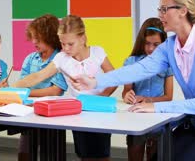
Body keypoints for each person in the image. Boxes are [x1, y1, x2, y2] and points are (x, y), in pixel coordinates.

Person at [72, 0, 195, 161]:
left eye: (164, 9)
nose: (160, 14)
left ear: (182, 10)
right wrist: (95, 81)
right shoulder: (170, 46)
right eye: (159, 9)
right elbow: (139, 69)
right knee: (157, 158)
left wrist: (155, 106)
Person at [13, 14, 117, 161]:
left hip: (100, 111)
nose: (66, 48)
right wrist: (12, 87)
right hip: (80, 113)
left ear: (82, 39)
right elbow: (38, 76)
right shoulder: (61, 58)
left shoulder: (97, 53)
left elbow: (114, 77)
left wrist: (102, 97)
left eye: (70, 44)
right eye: (62, 44)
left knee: (102, 154)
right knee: (84, 154)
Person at [122, 17, 173, 161]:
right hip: (136, 118)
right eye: (147, 44)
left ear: (164, 43)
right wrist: (127, 95)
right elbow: (126, 91)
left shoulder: (167, 64)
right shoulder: (131, 62)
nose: (151, 49)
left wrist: (149, 100)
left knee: (155, 155)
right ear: (141, 42)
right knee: (135, 153)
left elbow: (168, 97)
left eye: (156, 44)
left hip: (157, 118)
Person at [18, 14, 68, 160]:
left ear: (50, 37)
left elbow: (56, 90)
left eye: (38, 39)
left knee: (51, 153)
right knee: (25, 151)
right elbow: (23, 83)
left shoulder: (61, 59)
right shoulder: (30, 59)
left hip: (51, 115)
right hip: (28, 112)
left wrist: (27, 92)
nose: (34, 42)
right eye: (33, 37)